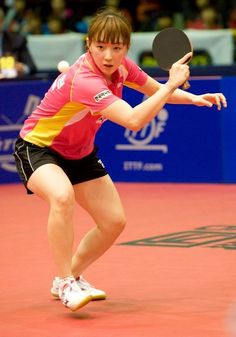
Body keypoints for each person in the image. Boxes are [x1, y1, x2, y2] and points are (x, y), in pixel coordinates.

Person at [13, 8, 227, 312]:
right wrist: (171, 84)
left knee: (114, 222)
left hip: (80, 152)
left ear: (126, 47)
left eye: (116, 48)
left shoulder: (122, 67)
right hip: (39, 147)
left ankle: (69, 275)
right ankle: (64, 281)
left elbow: (153, 90)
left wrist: (193, 97)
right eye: (100, 47)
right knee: (62, 197)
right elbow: (134, 120)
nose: (108, 56)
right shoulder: (85, 80)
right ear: (89, 43)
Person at [0, 7, 37, 79]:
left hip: (10, 83)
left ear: (1, 22)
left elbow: (31, 66)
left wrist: (22, 68)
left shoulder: (16, 40)